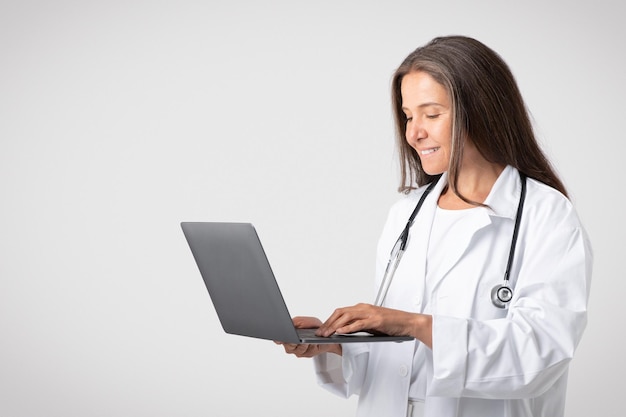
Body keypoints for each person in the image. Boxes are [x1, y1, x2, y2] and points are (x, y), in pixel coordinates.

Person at [277, 35, 592, 417]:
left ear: (481, 110)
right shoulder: (406, 214)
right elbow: (401, 360)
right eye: (409, 116)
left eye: (431, 114)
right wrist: (336, 344)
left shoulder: (546, 215)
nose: (413, 133)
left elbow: (540, 355)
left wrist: (410, 323)